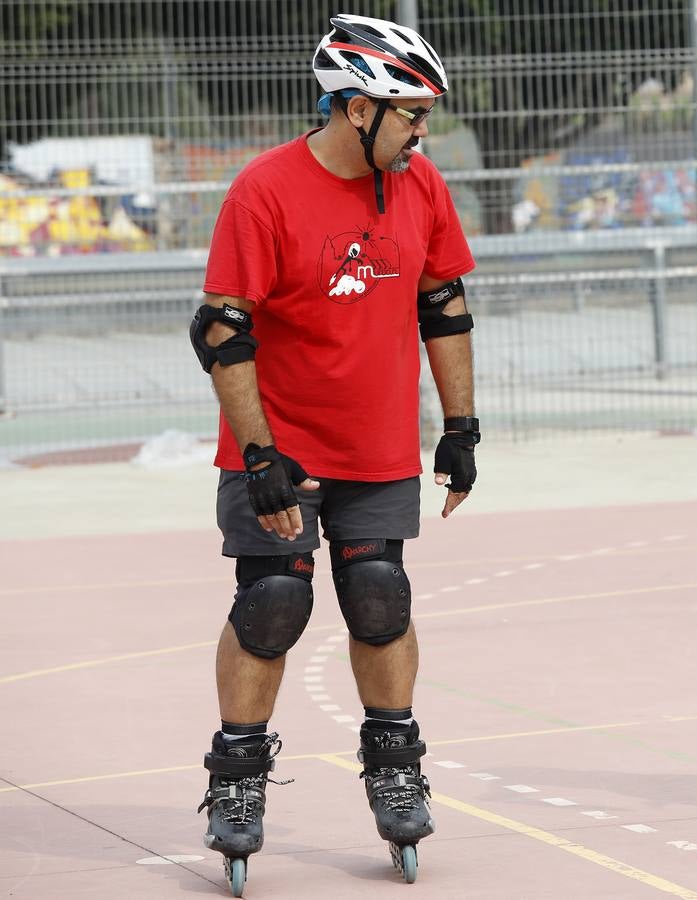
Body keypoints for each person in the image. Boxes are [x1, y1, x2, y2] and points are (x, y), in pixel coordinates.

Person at [187, 14, 477, 890]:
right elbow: (221, 328)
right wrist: (259, 453)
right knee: (273, 600)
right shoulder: (264, 190)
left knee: (380, 598)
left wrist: (460, 427)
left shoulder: (421, 185)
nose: (421, 131)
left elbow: (444, 304)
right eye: (410, 113)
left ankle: (395, 764)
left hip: (378, 444)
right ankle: (236, 784)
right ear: (356, 109)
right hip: (277, 446)